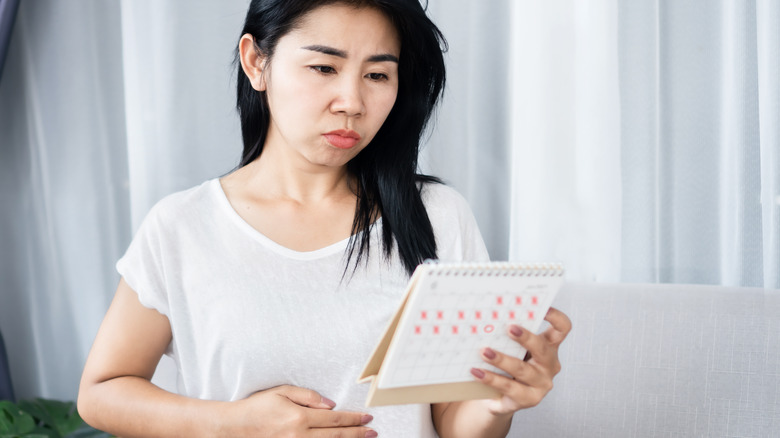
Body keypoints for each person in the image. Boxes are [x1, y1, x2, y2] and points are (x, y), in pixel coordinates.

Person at [77, 0, 572, 437]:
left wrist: (497, 402)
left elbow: (453, 423)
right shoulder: (182, 226)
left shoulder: (438, 216)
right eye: (323, 67)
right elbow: (101, 393)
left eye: (377, 75)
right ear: (256, 62)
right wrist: (232, 425)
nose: (352, 103)